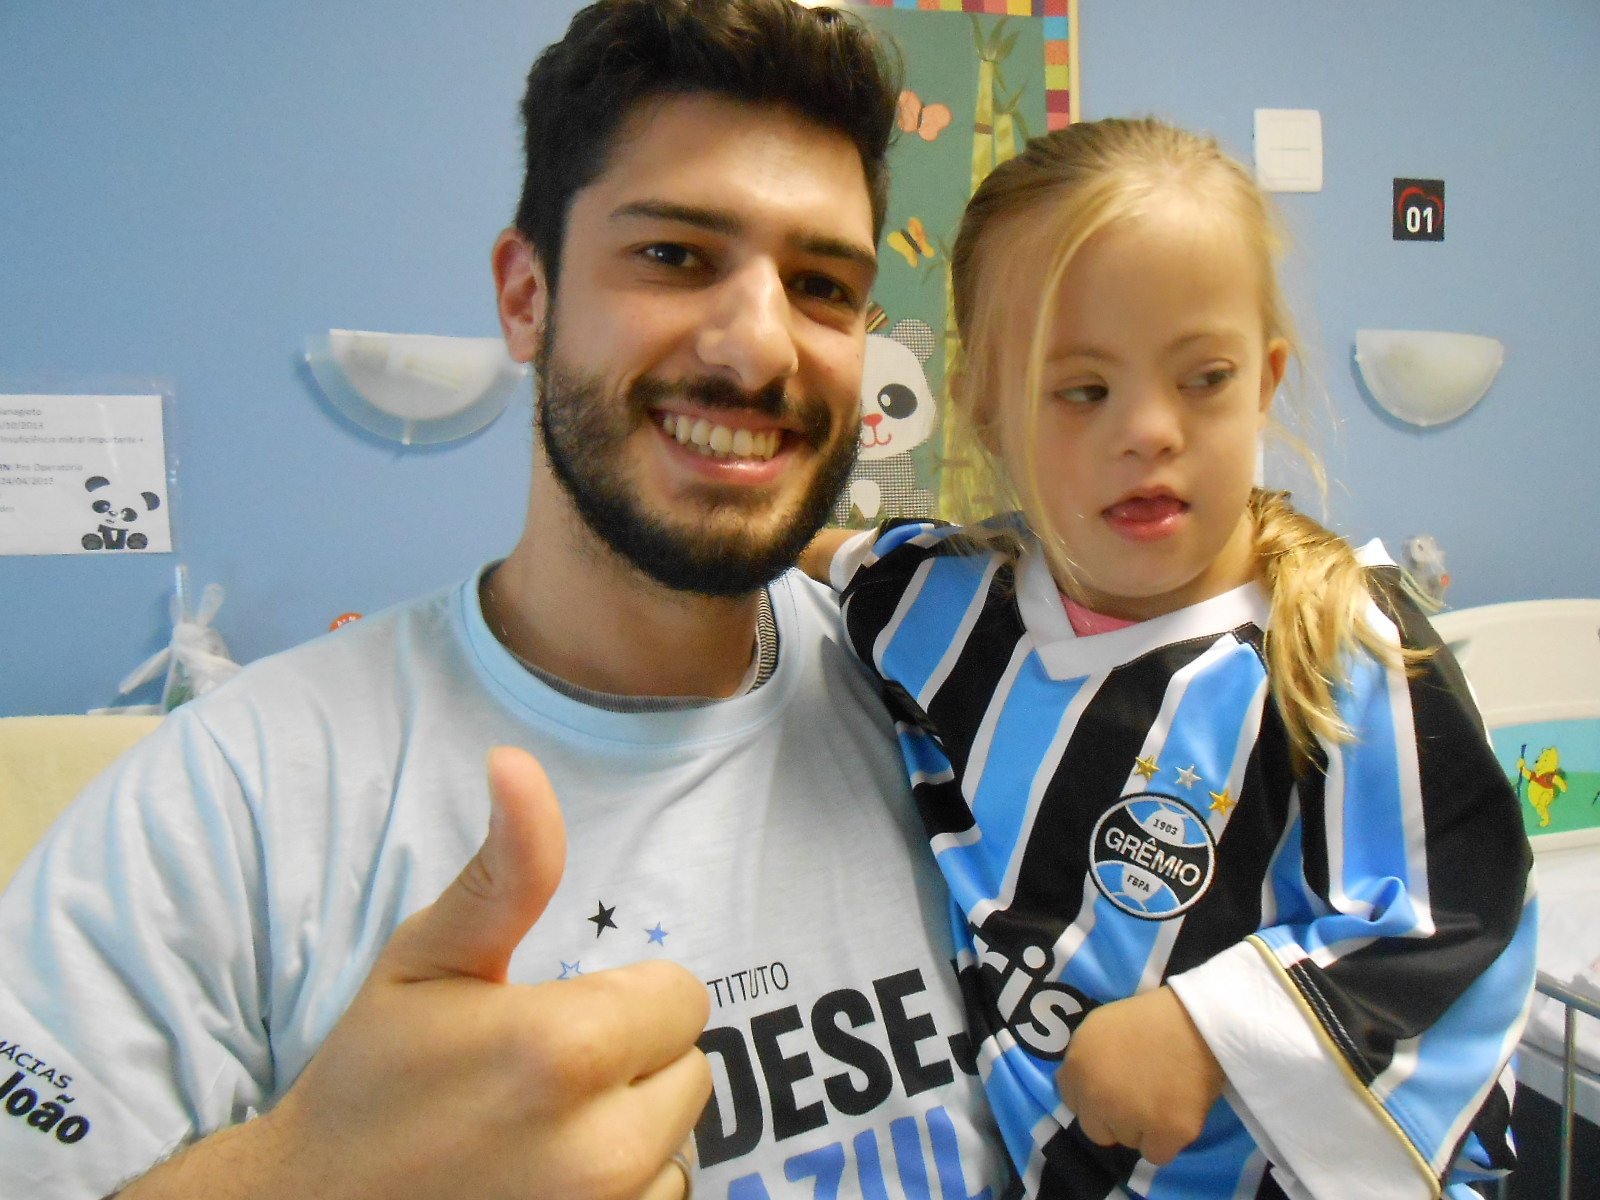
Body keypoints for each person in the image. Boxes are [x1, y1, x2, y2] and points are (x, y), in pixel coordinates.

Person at [0, 3, 1013, 1198]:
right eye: (675, 255)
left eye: (823, 284)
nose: (758, 350)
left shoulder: (944, 702)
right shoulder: (233, 799)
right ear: (525, 297)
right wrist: (296, 1178)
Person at [801, 118, 1537, 1200]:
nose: (1149, 430)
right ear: (986, 410)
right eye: (1082, 390)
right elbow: (818, 554)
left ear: (1265, 380)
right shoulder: (936, 603)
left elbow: (1461, 925)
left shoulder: (1343, 651)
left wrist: (1211, 1032)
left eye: (1202, 379)